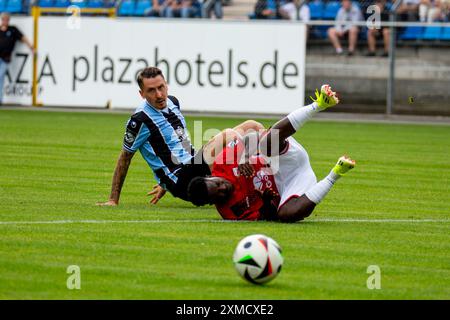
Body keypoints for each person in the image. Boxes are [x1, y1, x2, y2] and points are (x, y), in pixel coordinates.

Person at [187, 84, 356, 222]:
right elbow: (269, 217)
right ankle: (335, 174)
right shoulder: (231, 212)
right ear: (212, 203)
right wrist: (267, 202)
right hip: (291, 186)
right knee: (286, 215)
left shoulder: (222, 163)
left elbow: (254, 135)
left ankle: (319, 104)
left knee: (265, 143)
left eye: (218, 184)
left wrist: (245, 156)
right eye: (219, 195)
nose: (224, 188)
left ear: (209, 177)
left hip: (284, 158)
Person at [97, 67, 263, 206]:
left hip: (192, 166)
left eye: (161, 87)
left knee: (252, 126)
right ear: (142, 94)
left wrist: (163, 184)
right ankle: (245, 183)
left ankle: (269, 173)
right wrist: (113, 199)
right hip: (183, 180)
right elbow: (125, 157)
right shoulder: (140, 120)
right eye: (151, 91)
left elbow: (176, 145)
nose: (159, 94)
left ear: (166, 85)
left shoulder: (173, 102)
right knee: (229, 135)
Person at [0, 12, 35, 105]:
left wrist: (31, 47)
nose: (5, 21)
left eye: (7, 19)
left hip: (5, 58)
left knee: (0, 76)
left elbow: (23, 38)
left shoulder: (13, 30)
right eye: (3, 19)